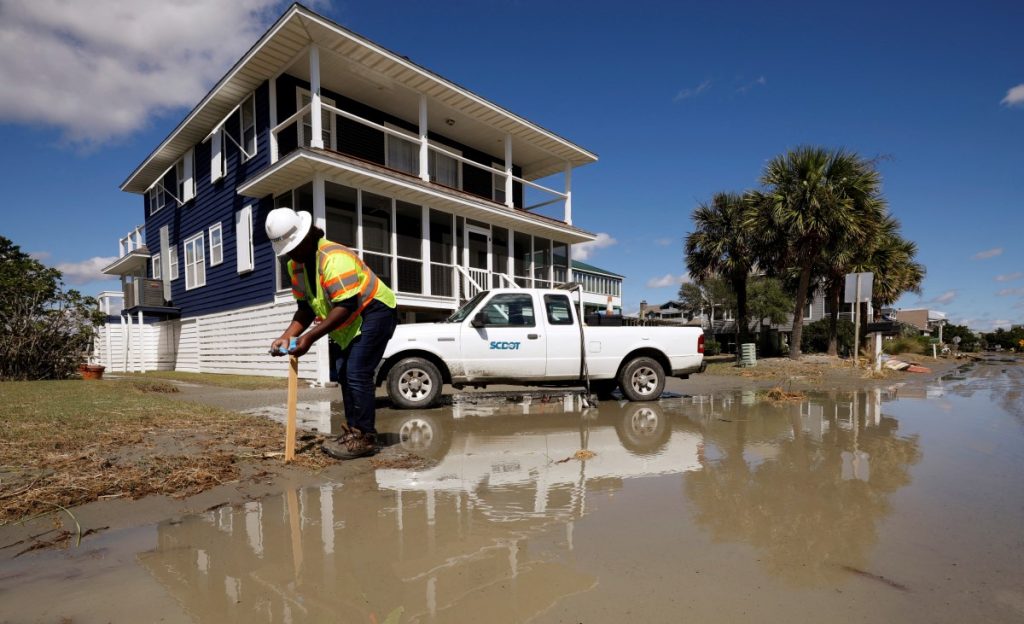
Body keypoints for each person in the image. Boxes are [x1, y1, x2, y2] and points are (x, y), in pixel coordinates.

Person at [266, 207, 397, 459]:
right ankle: (354, 432)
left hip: (375, 310)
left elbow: (347, 305)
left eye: (292, 248)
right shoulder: (296, 266)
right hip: (348, 320)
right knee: (345, 373)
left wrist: (308, 338)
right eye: (286, 251)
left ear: (306, 238)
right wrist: (287, 336)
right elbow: (305, 309)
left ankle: (365, 437)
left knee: (357, 371)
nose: (289, 255)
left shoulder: (333, 257)